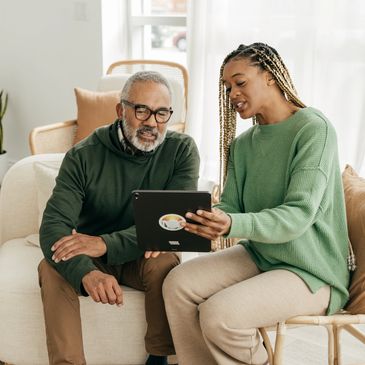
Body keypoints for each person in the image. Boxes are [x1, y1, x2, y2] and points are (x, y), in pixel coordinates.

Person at [162, 42, 350, 365]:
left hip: (311, 271)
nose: (232, 93)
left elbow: (299, 215)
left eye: (240, 82)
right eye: (227, 86)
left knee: (218, 314)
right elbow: (232, 205)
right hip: (262, 254)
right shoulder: (243, 145)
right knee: (177, 283)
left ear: (270, 77)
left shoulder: (313, 130)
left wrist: (234, 224)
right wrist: (206, 219)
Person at [38, 71, 200, 365]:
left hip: (143, 255)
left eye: (161, 113)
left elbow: (172, 225)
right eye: (142, 110)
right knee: (51, 268)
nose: (152, 121)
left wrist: (105, 243)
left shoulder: (182, 151)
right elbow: (53, 227)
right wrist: (86, 271)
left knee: (164, 261)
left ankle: (159, 357)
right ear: (120, 110)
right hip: (93, 257)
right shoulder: (82, 156)